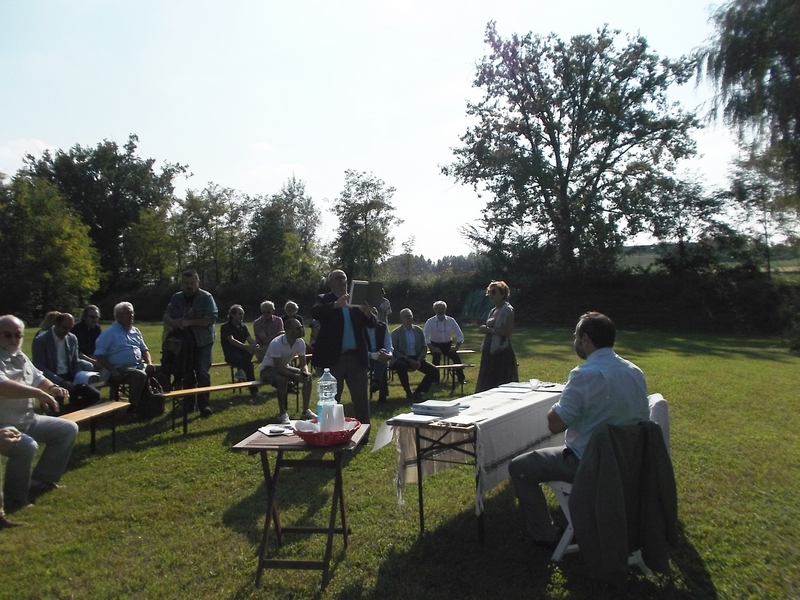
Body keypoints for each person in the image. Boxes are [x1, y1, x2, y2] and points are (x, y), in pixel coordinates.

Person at [508, 312, 650, 547]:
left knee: (520, 467)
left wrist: (558, 404)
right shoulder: (634, 371)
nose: (575, 342)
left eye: (576, 337)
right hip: (630, 460)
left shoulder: (584, 375)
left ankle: (544, 534)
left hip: (590, 463)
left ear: (585, 340)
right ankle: (574, 516)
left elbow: (555, 423)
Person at [0, 315, 78, 515]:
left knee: (67, 429)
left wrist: (53, 388)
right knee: (27, 446)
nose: (13, 339)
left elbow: (37, 377)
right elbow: (4, 387)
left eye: (18, 335)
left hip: (27, 419)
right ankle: (15, 497)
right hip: (4, 424)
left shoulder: (20, 356)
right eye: (7, 335)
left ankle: (41, 480)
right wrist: (37, 393)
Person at [311, 269, 376, 424]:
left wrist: (368, 313)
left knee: (361, 400)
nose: (341, 281)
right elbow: (315, 312)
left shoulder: (357, 299)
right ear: (331, 282)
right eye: (337, 278)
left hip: (356, 358)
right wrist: (335, 305)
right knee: (331, 400)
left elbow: (373, 323)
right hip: (334, 359)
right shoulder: (324, 299)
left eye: (344, 278)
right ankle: (328, 433)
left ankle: (363, 434)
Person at [163, 270, 218, 418]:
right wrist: (174, 323)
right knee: (186, 371)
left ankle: (204, 404)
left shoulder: (206, 297)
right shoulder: (176, 298)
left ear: (198, 282)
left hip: (203, 341)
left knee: (201, 371)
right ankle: (188, 403)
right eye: (186, 284)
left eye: (192, 283)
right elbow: (166, 315)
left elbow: (211, 319)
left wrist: (190, 322)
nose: (189, 286)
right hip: (184, 343)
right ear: (182, 284)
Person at [31, 312, 100, 412]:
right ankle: (61, 412)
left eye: (70, 328)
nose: (66, 331)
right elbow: (40, 366)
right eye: (64, 327)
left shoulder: (72, 338)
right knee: (56, 404)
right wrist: (60, 381)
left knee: (95, 395)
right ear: (56, 324)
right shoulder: (41, 340)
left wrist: (79, 376)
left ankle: (65, 411)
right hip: (52, 377)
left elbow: (75, 361)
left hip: (70, 376)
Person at [94, 302, 156, 410]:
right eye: (127, 313)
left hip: (137, 366)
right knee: (139, 375)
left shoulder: (135, 331)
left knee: (160, 369)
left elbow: (144, 349)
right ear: (118, 316)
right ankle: (132, 407)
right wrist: (112, 370)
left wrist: (149, 363)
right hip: (118, 369)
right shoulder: (110, 333)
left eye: (132, 312)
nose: (131, 315)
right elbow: (99, 355)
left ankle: (155, 403)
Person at [260, 318, 314, 423]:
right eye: (298, 328)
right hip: (267, 369)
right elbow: (278, 368)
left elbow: (303, 364)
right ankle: (283, 414)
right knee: (282, 379)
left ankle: (306, 411)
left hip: (283, 366)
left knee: (309, 377)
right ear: (289, 331)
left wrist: (304, 372)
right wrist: (295, 376)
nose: (302, 330)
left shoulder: (300, 342)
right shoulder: (276, 343)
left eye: (302, 327)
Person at [475, 280, 518, 392]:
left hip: (501, 351)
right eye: (489, 292)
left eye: (494, 292)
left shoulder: (508, 310)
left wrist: (489, 330)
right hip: (489, 350)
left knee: (500, 381)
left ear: (503, 294)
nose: (490, 295)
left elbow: (508, 332)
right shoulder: (493, 310)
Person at [391, 308, 439, 400]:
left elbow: (424, 347)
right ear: (401, 319)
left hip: (417, 358)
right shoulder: (396, 333)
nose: (409, 318)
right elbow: (394, 350)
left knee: (434, 370)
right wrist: (408, 359)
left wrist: (419, 360)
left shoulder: (418, 331)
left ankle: (419, 392)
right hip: (402, 358)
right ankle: (408, 392)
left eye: (410, 316)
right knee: (401, 366)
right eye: (406, 316)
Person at [220, 304, 260, 396]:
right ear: (232, 315)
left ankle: (241, 371)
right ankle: (254, 391)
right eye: (239, 314)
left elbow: (249, 339)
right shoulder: (225, 326)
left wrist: (255, 345)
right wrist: (246, 347)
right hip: (231, 353)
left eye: (243, 314)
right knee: (248, 364)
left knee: (249, 355)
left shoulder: (244, 326)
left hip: (242, 354)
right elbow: (232, 341)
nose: (242, 316)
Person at [423, 300, 466, 385]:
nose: (440, 310)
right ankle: (435, 380)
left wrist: (457, 347)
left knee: (456, 358)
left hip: (447, 344)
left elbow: (459, 334)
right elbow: (425, 336)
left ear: (445, 309)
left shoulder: (451, 320)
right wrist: (432, 348)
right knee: (436, 358)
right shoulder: (430, 321)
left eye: (442, 308)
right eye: (438, 309)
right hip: (435, 345)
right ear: (435, 310)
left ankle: (461, 379)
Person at [367, 307, 393, 403]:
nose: (373, 316)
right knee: (381, 359)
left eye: (375, 313)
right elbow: (359, 350)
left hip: (380, 357)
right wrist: (373, 355)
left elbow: (388, 345)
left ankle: (377, 381)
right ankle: (382, 394)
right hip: (365, 357)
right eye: (370, 313)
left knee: (382, 356)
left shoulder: (382, 326)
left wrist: (388, 354)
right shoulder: (360, 327)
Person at [71, 305, 102, 369]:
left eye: (97, 317)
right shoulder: (75, 329)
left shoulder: (97, 329)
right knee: (89, 366)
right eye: (92, 317)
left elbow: (100, 346)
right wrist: (93, 361)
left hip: (93, 356)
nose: (95, 320)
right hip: (79, 358)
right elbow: (76, 352)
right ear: (85, 317)